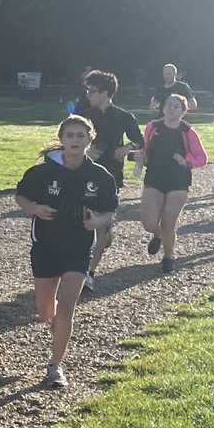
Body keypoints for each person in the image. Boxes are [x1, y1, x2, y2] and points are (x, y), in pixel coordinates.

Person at [15, 116, 117, 391]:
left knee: (67, 308)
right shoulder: (42, 172)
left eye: (80, 135)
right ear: (61, 139)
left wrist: (98, 222)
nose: (74, 139)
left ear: (89, 139)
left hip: (78, 246)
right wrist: (35, 209)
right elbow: (21, 196)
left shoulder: (99, 176)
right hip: (46, 244)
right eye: (69, 135)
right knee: (45, 310)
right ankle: (56, 324)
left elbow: (109, 210)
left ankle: (55, 366)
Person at [78, 70, 143, 290]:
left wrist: (127, 147)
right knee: (85, 221)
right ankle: (79, 266)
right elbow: (66, 140)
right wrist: (86, 151)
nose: (88, 94)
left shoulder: (124, 116)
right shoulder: (82, 115)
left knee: (102, 227)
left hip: (112, 175)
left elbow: (139, 140)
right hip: (83, 173)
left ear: (105, 93)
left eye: (92, 91)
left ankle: (89, 273)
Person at [137, 94, 207, 274]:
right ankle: (158, 235)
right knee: (148, 222)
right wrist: (139, 155)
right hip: (154, 177)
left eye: (177, 106)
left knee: (168, 222)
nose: (172, 108)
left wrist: (187, 162)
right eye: (169, 105)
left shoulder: (187, 131)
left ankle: (169, 256)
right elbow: (145, 148)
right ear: (163, 107)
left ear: (183, 111)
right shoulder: (153, 126)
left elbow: (202, 158)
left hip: (178, 180)